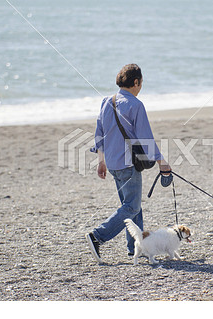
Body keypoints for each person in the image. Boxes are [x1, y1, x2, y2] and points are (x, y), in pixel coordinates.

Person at [86, 64, 171, 263]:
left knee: (133, 206)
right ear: (136, 82)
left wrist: (101, 160)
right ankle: (97, 236)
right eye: (141, 83)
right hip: (128, 164)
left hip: (113, 164)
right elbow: (145, 138)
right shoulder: (136, 105)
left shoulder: (107, 101)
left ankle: (135, 248)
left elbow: (99, 134)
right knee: (131, 207)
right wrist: (162, 162)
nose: (141, 87)